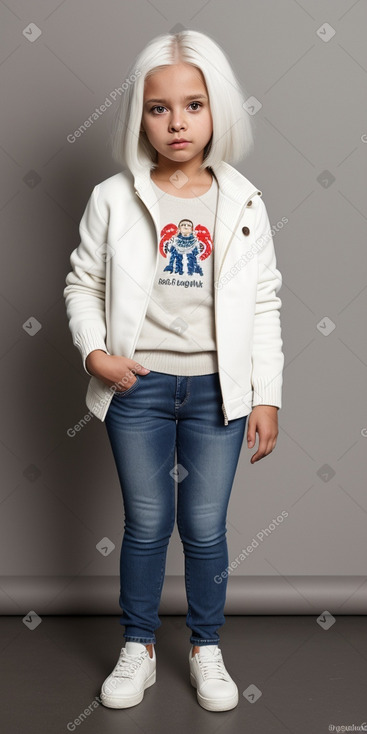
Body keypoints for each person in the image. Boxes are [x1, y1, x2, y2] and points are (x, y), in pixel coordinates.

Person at [63, 29, 284, 713]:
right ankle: (139, 646)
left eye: (193, 105)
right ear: (139, 116)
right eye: (159, 108)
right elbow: (82, 282)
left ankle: (206, 646)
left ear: (218, 111)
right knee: (147, 522)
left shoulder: (242, 201)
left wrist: (266, 395)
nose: (177, 122)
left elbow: (264, 300)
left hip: (221, 393)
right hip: (140, 388)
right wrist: (96, 354)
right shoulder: (113, 197)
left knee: (207, 527)